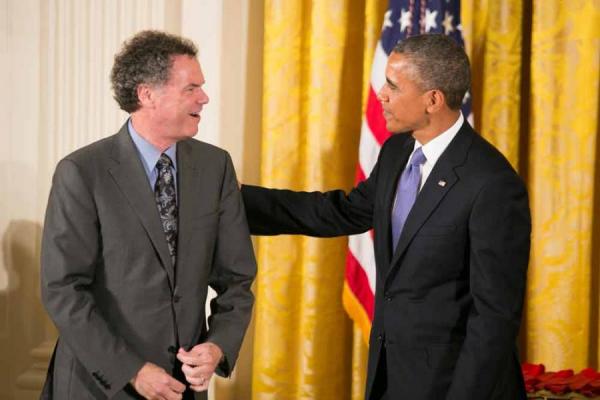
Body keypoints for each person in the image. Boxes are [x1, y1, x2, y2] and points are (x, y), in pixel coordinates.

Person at [242, 34, 531, 400]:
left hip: (452, 385)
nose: (381, 94)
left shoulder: (492, 184)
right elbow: (342, 212)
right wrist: (233, 200)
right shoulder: (397, 151)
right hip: (391, 378)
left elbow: (494, 319)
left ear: (433, 100)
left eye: (393, 85)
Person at [41, 30, 256, 399]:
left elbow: (237, 279)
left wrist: (218, 345)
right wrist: (132, 370)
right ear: (147, 94)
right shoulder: (82, 172)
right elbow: (63, 290)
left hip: (182, 388)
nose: (204, 97)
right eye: (191, 88)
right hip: (99, 386)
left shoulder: (215, 166)